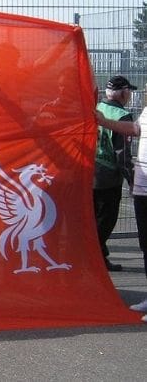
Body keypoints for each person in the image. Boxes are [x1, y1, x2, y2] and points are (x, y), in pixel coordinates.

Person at [95, 79, 147, 323]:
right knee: (140, 242)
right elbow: (129, 141)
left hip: (98, 175)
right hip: (124, 182)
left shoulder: (101, 107)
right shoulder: (130, 114)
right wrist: (130, 179)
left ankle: (97, 260)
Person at [93, 75, 137, 272]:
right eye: (129, 91)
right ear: (123, 93)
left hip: (91, 170)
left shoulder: (98, 109)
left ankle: (100, 257)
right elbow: (123, 154)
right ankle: (94, 258)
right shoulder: (122, 116)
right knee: (106, 220)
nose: (129, 95)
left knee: (94, 217)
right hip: (108, 176)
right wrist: (132, 179)